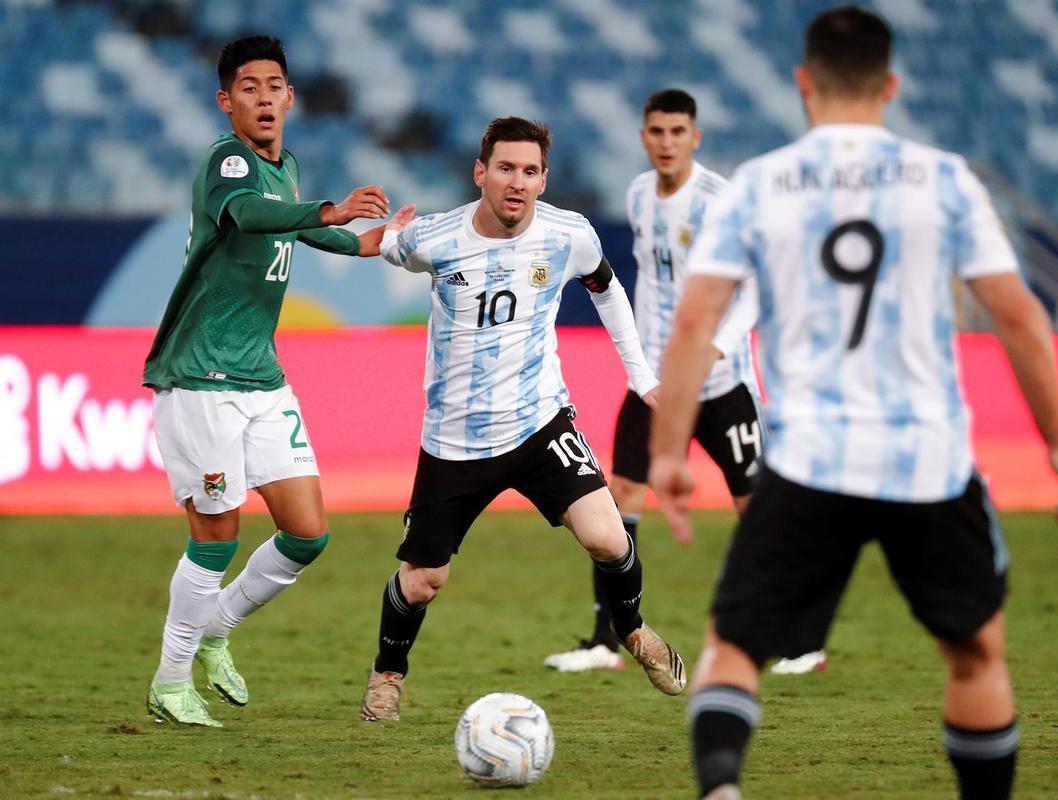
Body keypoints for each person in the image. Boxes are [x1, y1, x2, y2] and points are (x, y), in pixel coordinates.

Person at [647, 7, 1058, 800]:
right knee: (976, 651)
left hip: (811, 457)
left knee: (734, 646)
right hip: (928, 462)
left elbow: (692, 321)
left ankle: (721, 788)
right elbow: (1020, 315)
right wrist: (1056, 442)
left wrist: (672, 457)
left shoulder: (760, 184)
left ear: (803, 83)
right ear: (890, 85)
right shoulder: (945, 178)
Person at [360, 116, 687, 722]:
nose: (517, 182)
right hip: (454, 440)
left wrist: (641, 375)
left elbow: (607, 289)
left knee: (610, 537)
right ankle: (387, 674)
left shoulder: (569, 234)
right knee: (424, 579)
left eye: (530, 171)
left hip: (540, 422)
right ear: (480, 173)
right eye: (505, 168)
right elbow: (378, 245)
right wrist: (332, 227)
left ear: (544, 178)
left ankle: (634, 632)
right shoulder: (434, 238)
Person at [143, 35, 401, 728]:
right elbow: (250, 216)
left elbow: (301, 231)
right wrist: (329, 210)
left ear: (290, 97)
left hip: (261, 376)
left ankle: (217, 627)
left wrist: (373, 241)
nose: (264, 97)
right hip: (202, 376)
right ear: (226, 101)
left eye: (275, 85)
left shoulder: (283, 166)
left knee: (307, 532)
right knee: (216, 537)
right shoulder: (228, 162)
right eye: (248, 87)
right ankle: (170, 682)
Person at [543, 89, 825, 677]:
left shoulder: (721, 202)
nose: (666, 142)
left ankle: (802, 641)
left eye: (677, 131)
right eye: (656, 131)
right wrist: (643, 359)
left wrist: (718, 346)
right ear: (644, 137)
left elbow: (754, 286)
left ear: (695, 137)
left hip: (720, 382)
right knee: (617, 498)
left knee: (757, 508)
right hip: (655, 384)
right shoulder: (639, 194)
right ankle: (606, 640)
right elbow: (647, 282)